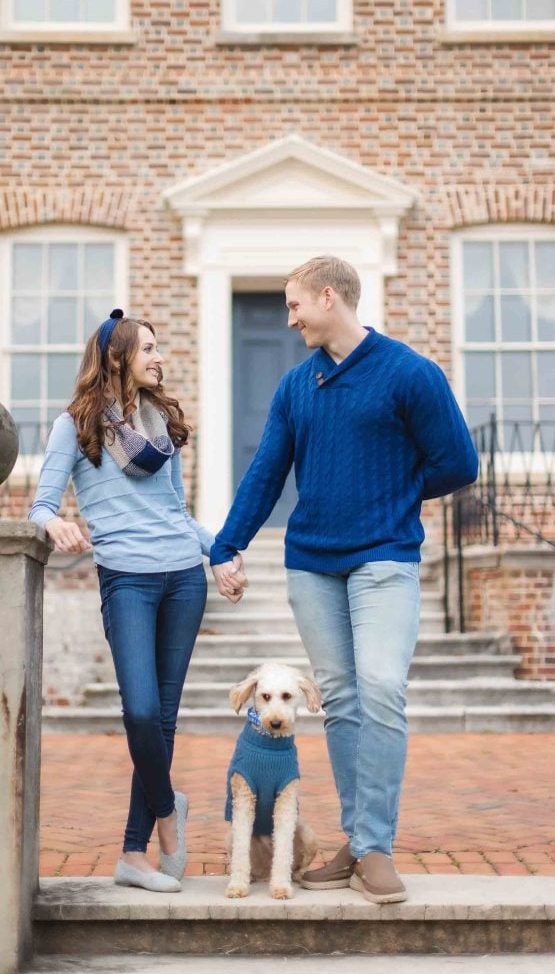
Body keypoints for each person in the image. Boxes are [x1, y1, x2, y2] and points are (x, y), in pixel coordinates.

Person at [210, 256, 478, 904]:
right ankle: (358, 843)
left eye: (295, 303)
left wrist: (397, 493)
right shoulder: (294, 388)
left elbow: (457, 462)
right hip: (312, 565)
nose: (289, 316)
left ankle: (375, 846)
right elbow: (266, 472)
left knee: (381, 688)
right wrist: (226, 545)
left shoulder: (409, 374)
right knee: (340, 700)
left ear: (328, 297)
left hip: (385, 556)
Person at [28, 309, 243, 893]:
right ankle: (168, 813)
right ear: (117, 357)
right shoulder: (73, 427)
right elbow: (41, 504)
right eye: (146, 347)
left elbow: (177, 513)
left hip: (182, 577)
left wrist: (220, 554)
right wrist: (57, 526)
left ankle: (132, 852)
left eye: (159, 346)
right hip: (126, 578)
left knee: (164, 719)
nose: (158, 356)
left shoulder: (161, 425)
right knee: (141, 712)